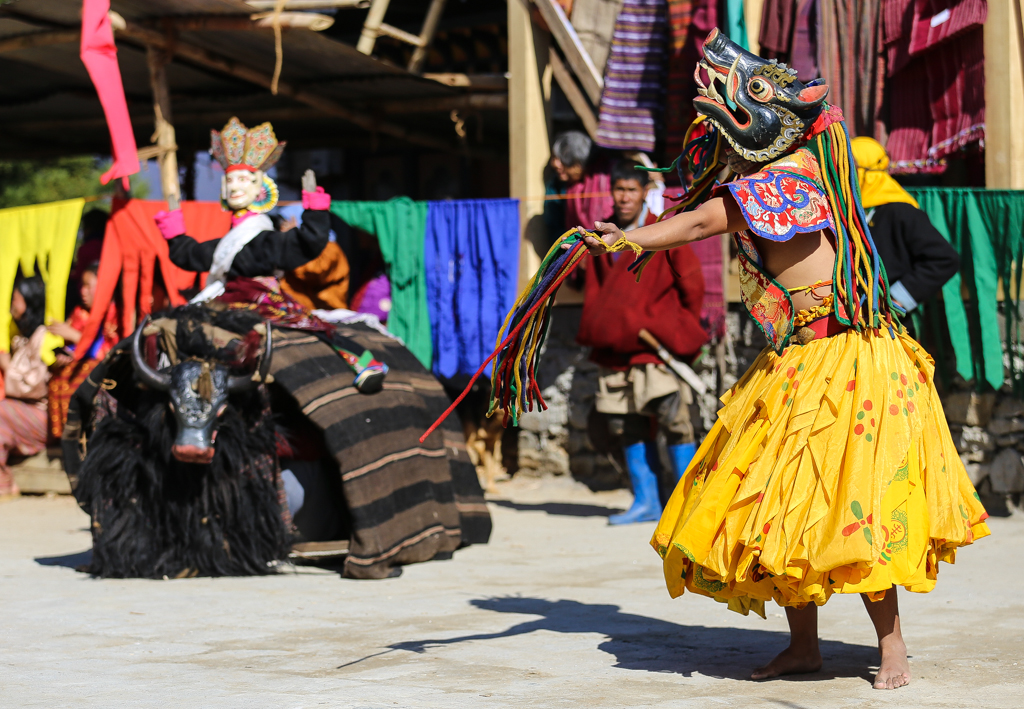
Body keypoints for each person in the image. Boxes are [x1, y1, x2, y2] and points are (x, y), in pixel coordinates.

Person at [575, 30, 988, 689]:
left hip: (848, 360)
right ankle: (804, 647)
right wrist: (635, 234)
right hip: (800, 356)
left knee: (853, 503)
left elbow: (706, 222)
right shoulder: (776, 178)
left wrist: (631, 237)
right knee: (781, 503)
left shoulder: (790, 177)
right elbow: (709, 215)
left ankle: (894, 645)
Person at [154, 117, 386, 392]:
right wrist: (174, 232)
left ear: (260, 187)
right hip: (222, 297)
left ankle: (361, 362)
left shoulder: (269, 240)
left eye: (243, 179)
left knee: (309, 325)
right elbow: (190, 255)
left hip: (262, 298)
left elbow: (308, 242)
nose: (235, 186)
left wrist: (315, 210)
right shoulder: (224, 245)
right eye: (229, 180)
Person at [577, 161, 707, 525]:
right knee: (628, 423)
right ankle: (647, 501)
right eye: (618, 190)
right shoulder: (601, 236)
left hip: (656, 346)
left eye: (631, 190)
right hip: (619, 348)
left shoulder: (662, 230)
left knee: (674, 418)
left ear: (642, 192)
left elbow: (692, 286)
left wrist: (675, 326)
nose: (624, 197)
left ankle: (687, 506)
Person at [851, 137, 960, 316]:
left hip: (890, 325)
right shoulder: (847, 210)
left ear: (867, 171)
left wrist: (896, 300)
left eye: (851, 169)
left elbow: (944, 259)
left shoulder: (901, 211)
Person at [46, 262, 119, 440]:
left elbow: (112, 352)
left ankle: (87, 436)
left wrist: (77, 338)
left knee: (83, 379)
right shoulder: (79, 312)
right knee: (59, 378)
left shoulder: (114, 312)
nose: (83, 291)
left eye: (88, 286)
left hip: (105, 372)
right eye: (82, 285)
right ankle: (67, 438)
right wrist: (64, 355)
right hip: (75, 366)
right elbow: (69, 348)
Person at [0, 276, 50, 497]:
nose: (12, 306)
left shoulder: (44, 337)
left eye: (16, 300)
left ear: (31, 302)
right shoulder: (21, 336)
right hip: (19, 411)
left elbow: (35, 386)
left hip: (40, 414)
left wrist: (6, 365)